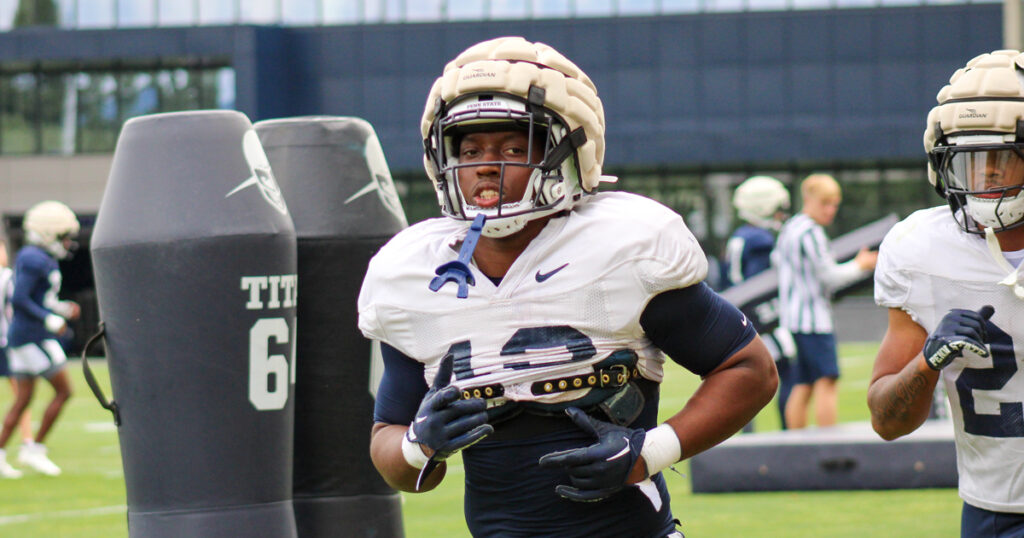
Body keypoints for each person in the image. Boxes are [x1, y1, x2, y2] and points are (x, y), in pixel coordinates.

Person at [358, 36, 778, 537]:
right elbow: (392, 451)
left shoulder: (619, 246)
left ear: (567, 151)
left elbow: (748, 368)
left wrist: (649, 451)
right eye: (469, 149)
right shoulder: (412, 275)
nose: (486, 166)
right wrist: (416, 446)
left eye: (513, 147)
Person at [867, 49, 1024, 537]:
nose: (986, 175)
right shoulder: (921, 250)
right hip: (991, 508)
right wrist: (926, 364)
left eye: (1001, 157)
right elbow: (887, 421)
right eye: (970, 160)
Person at [774, 173, 877, 429]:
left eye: (834, 204)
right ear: (808, 199)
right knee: (827, 381)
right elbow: (830, 277)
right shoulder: (810, 232)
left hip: (794, 318)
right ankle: (828, 443)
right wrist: (860, 265)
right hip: (813, 320)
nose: (830, 210)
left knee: (803, 383)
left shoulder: (790, 228)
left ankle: (794, 444)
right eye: (825, 203)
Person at [0, 201, 80, 477]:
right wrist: (49, 319)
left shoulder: (38, 257)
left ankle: (2, 454)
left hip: (25, 336)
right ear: (48, 233)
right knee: (64, 391)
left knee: (23, 400)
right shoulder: (34, 258)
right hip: (32, 337)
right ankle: (34, 450)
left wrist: (61, 309)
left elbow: (39, 299)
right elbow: (20, 298)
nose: (67, 242)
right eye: (63, 236)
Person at [721, 175, 797, 430]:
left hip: (737, 316)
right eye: (777, 209)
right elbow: (759, 285)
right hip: (759, 318)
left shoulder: (740, 236)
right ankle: (787, 431)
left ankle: (750, 435)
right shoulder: (761, 240)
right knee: (788, 370)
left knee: (748, 379)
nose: (780, 215)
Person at [0, 239, 34, 479]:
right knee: (22, 396)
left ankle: (27, 442)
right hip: (6, 342)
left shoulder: (8, 276)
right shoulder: (7, 278)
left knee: (21, 395)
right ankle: (27, 444)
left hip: (6, 342)